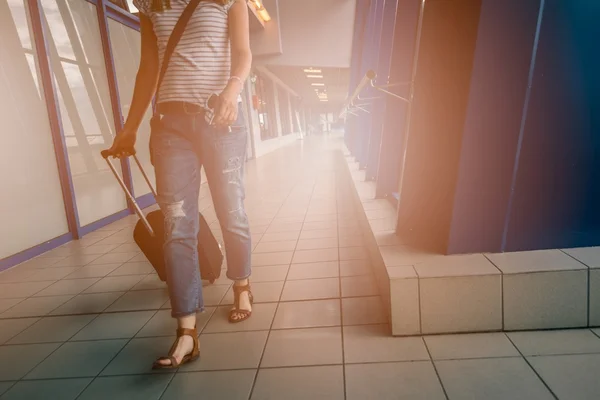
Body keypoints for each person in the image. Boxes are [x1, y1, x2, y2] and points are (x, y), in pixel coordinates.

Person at [106, 0, 253, 369]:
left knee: (230, 211)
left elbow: (243, 53)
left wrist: (232, 92)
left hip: (221, 119)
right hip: (170, 126)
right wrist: (130, 127)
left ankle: (242, 284)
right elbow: (149, 69)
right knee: (176, 227)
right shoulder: (148, 4)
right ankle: (186, 331)